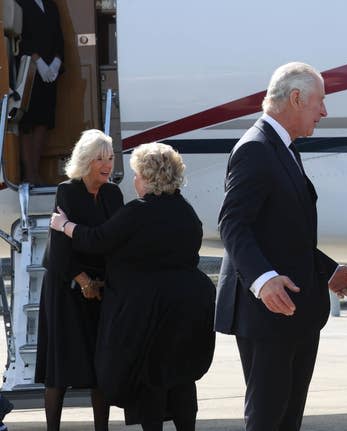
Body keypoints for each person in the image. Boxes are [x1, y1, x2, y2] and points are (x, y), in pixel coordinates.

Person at [216, 62, 347, 431]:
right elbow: (233, 223)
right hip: (268, 314)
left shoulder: (283, 148)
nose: (325, 111)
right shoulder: (256, 148)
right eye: (320, 101)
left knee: (287, 418)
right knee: (269, 417)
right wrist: (263, 280)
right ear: (296, 98)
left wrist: (328, 270)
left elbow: (285, 231)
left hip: (292, 313)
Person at [50, 143, 216, 431]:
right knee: (181, 379)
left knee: (151, 381)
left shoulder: (139, 212)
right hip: (187, 308)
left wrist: (65, 225)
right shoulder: (185, 211)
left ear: (150, 178)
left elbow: (98, 239)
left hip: (150, 311)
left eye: (138, 175)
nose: (134, 181)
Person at [35, 129, 123, 431]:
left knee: (101, 364)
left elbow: (115, 241)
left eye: (110, 158)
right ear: (86, 160)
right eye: (100, 158)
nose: (107, 164)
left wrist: (99, 283)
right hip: (65, 286)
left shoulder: (113, 194)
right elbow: (59, 252)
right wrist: (84, 281)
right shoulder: (67, 191)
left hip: (101, 289)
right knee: (59, 367)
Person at [16, 0, 64, 184]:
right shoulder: (20, 3)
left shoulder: (51, 5)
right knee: (27, 122)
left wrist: (56, 61)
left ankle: (36, 172)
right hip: (28, 70)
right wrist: (38, 61)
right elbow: (21, 37)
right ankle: (29, 174)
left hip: (50, 72)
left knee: (43, 121)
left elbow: (59, 37)